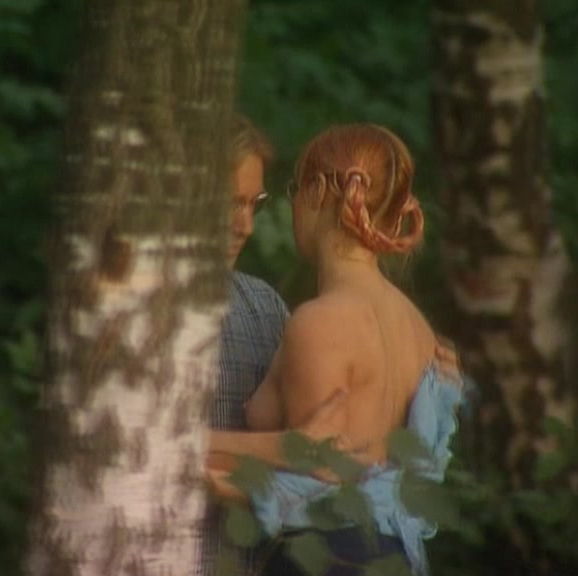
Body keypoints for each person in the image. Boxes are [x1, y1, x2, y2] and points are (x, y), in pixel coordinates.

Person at [207, 123, 464, 576]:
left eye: (293, 191)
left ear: (320, 191)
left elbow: (315, 471)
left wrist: (194, 448)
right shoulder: (420, 330)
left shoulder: (320, 322)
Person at [196, 115, 289, 576]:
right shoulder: (131, 309)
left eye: (254, 204)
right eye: (232, 203)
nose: (246, 226)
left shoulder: (266, 308)